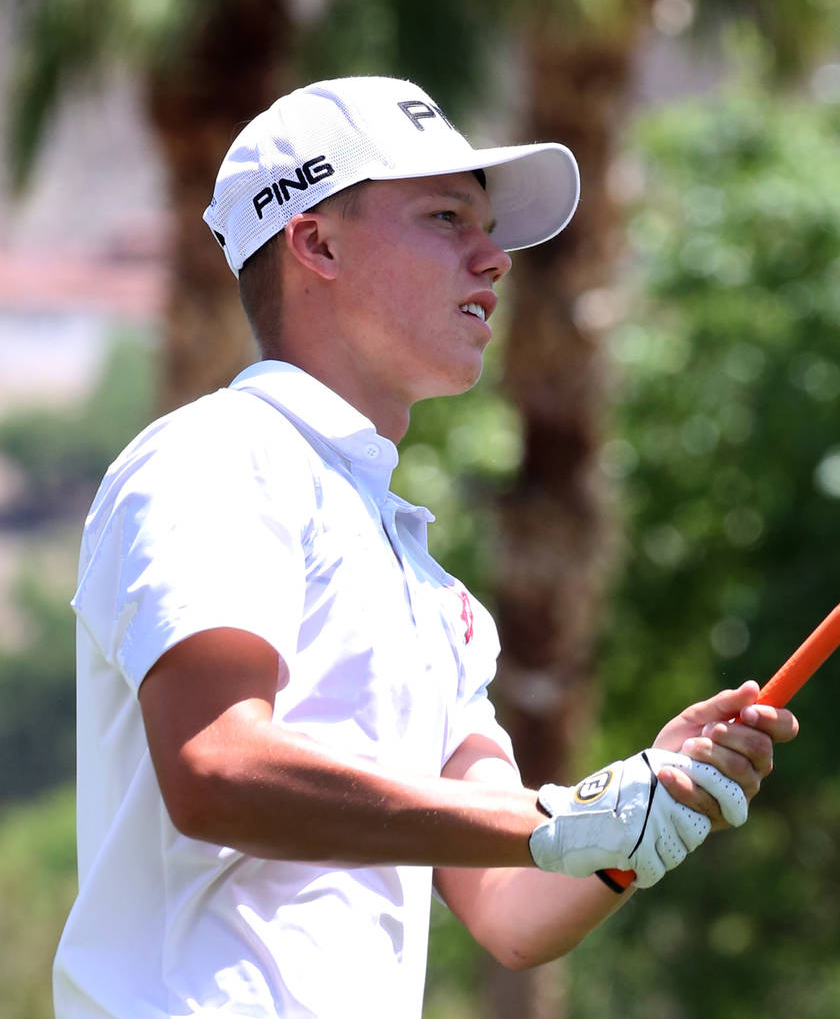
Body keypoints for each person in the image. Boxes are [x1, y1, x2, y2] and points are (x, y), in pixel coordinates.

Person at [53, 76, 798, 1018]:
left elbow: (511, 910)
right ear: (315, 241)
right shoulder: (218, 455)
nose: (495, 259)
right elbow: (217, 769)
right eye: (447, 217)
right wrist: (563, 818)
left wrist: (639, 825)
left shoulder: (425, 579)